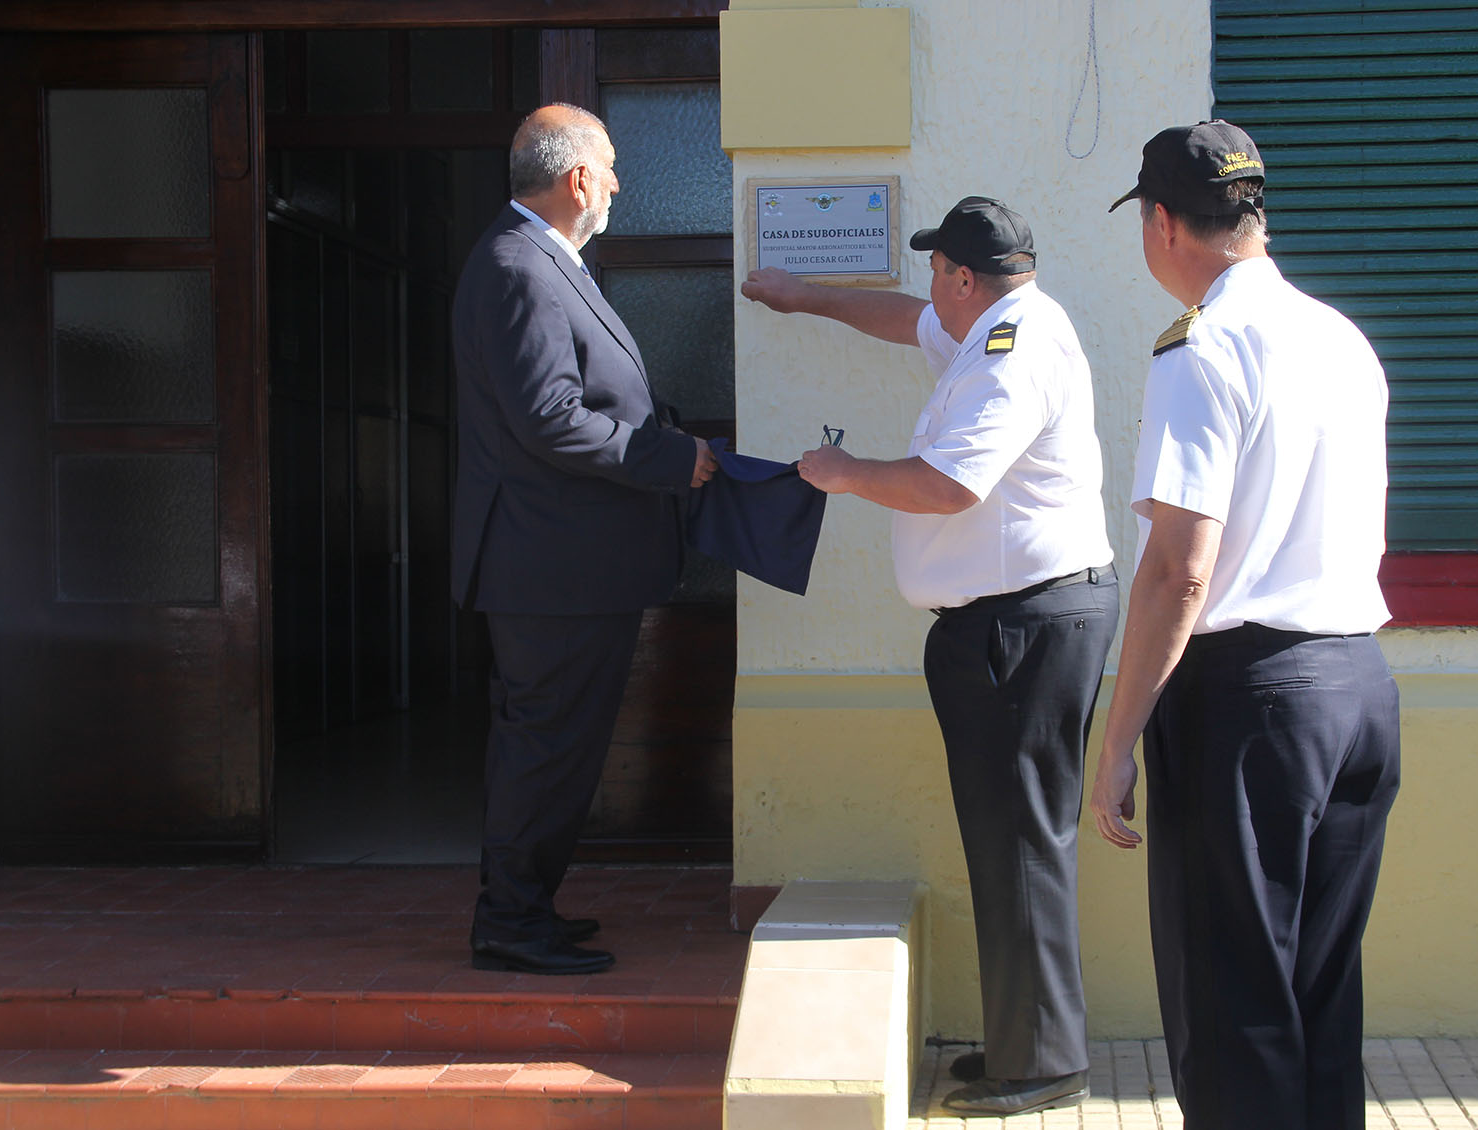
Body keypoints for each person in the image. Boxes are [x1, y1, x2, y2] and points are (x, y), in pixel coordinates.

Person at [741, 197, 1116, 1118]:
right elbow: (897, 314)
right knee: (1008, 841)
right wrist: (802, 297)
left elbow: (950, 485)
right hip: (1008, 626)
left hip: (1020, 629)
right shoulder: (997, 319)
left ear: (962, 275)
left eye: (936, 273)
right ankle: (1026, 1048)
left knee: (1019, 843)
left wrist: (844, 472)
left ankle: (1041, 1068)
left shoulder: (1009, 355)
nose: (928, 298)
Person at [1090, 121, 1402, 1130]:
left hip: (1250, 698)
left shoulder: (1204, 346)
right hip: (1355, 682)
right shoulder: (1339, 336)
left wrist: (1118, 734)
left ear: (1165, 221)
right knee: (1318, 990)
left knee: (1233, 1006)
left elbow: (1181, 570)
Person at [450, 104, 718, 976]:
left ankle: (528, 906)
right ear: (574, 181)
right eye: (608, 168)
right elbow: (552, 421)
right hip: (548, 567)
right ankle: (510, 921)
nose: (616, 184)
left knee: (558, 748)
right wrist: (669, 460)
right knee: (545, 745)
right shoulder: (519, 266)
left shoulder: (545, 260)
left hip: (566, 565)